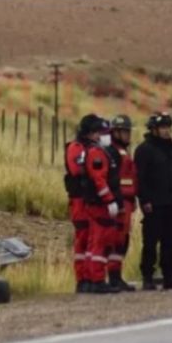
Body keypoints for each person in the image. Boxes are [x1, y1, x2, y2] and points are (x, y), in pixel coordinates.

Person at [134, 112, 172, 291]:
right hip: (154, 204)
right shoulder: (144, 150)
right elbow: (140, 178)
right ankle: (148, 277)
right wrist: (144, 200)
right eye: (162, 128)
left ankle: (169, 276)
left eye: (168, 127)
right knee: (151, 242)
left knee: (171, 241)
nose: (166, 131)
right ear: (153, 129)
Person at [65, 114, 119, 294]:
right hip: (81, 200)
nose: (100, 135)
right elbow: (77, 171)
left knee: (93, 241)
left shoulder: (94, 150)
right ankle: (84, 279)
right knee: (84, 241)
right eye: (97, 132)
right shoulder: (77, 148)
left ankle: (90, 278)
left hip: (91, 199)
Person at [106, 114, 138, 292]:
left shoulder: (123, 151)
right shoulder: (112, 152)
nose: (128, 135)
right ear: (116, 132)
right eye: (125, 132)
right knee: (116, 240)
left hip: (127, 201)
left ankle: (116, 276)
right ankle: (113, 277)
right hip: (119, 202)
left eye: (128, 132)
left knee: (123, 240)